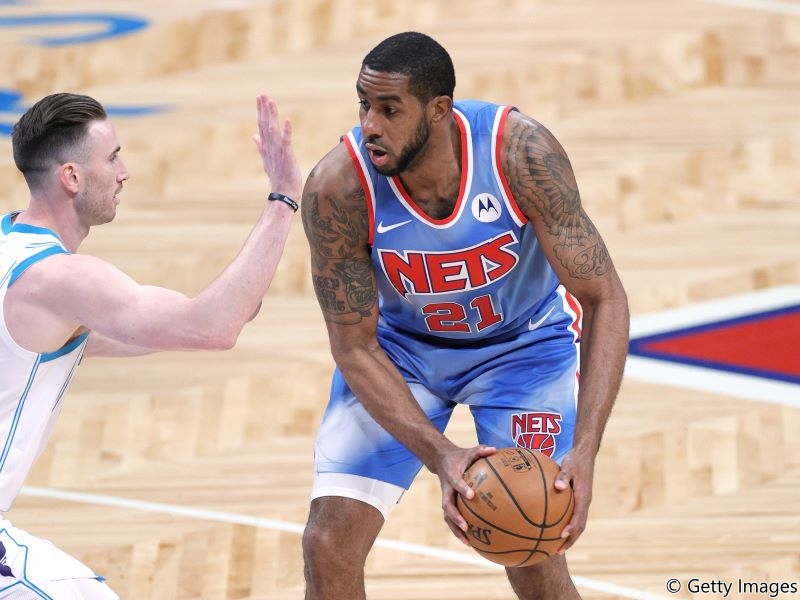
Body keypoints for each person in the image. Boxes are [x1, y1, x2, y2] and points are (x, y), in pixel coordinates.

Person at [300, 31, 629, 600]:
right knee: (327, 544)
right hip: (401, 354)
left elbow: (605, 298)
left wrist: (586, 448)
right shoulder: (339, 189)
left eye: (389, 109)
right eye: (364, 105)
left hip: (522, 349)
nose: (370, 125)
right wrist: (441, 456)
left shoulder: (520, 156)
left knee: (533, 546)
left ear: (439, 110)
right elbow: (354, 346)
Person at [0, 91, 302, 598]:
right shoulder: (62, 278)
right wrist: (284, 198)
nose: (124, 173)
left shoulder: (12, 250)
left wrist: (217, 310)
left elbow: (107, 338)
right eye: (112, 158)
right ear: (72, 177)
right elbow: (214, 328)